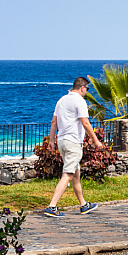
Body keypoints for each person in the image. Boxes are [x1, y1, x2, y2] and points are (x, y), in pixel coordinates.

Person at [43, 76, 104, 218]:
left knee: (76, 174)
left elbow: (53, 122)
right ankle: (52, 206)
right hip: (73, 142)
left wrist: (52, 140)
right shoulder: (79, 101)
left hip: (62, 141)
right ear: (82, 88)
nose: (87, 92)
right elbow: (85, 123)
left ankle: (83, 205)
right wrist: (96, 141)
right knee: (68, 174)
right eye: (87, 89)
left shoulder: (61, 100)